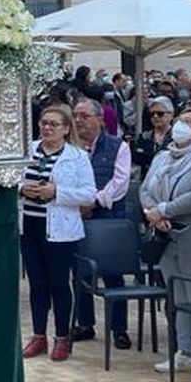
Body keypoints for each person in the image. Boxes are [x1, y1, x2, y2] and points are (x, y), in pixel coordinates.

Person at [143, 106, 191, 381]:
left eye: (189, 122)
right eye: (180, 121)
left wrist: (165, 209)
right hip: (164, 233)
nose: (180, 126)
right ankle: (183, 350)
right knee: (177, 294)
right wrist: (153, 212)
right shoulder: (163, 157)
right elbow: (145, 189)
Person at [18, 104, 96, 363]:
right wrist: (23, 189)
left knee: (59, 284)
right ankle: (38, 335)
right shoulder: (28, 151)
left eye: (53, 124)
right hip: (30, 226)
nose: (47, 128)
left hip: (61, 230)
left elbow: (88, 194)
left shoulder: (77, 156)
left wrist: (57, 193)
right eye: (44, 123)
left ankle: (62, 337)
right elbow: (10, 178)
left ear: (65, 129)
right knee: (37, 284)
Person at [69, 96, 132, 349]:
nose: (78, 121)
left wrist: (93, 201)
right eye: (75, 116)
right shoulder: (70, 148)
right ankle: (85, 323)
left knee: (113, 274)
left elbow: (120, 182)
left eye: (84, 116)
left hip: (107, 216)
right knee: (79, 272)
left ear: (99, 119)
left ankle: (119, 328)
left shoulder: (119, 146)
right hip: (76, 216)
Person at [133, 94, 174, 179]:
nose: (155, 117)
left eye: (160, 113)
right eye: (152, 114)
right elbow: (138, 159)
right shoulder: (144, 137)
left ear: (171, 115)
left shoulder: (176, 137)